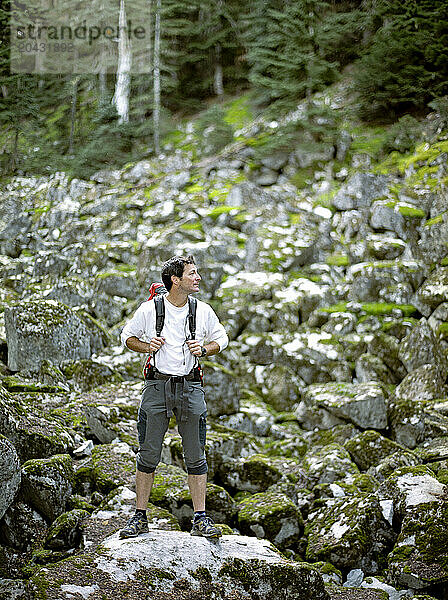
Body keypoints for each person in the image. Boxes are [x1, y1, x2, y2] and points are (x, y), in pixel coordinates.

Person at [119, 255, 229, 539]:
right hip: (156, 386)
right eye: (192, 274)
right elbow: (126, 337)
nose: (198, 278)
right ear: (175, 280)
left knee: (196, 455)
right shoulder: (150, 309)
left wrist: (204, 350)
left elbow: (222, 338)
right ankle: (139, 517)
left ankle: (201, 519)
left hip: (191, 387)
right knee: (148, 453)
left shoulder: (202, 310)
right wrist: (147, 346)